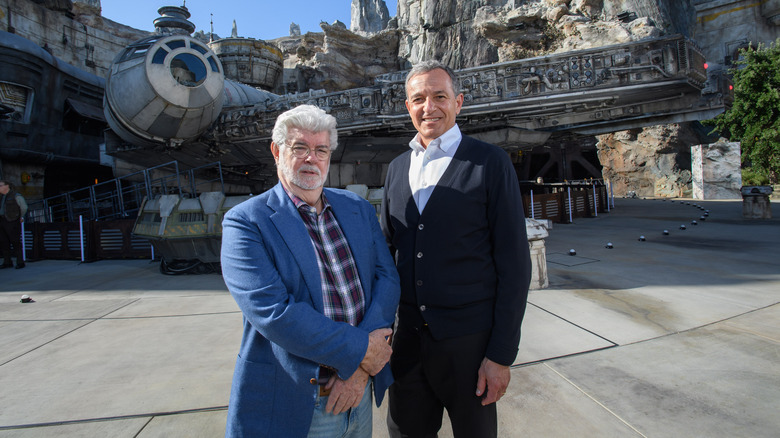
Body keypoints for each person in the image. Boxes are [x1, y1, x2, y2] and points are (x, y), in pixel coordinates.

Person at [221, 104, 401, 437]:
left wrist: (360, 372)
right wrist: (363, 351)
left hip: (358, 393)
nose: (311, 159)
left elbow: (386, 279)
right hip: (299, 402)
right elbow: (276, 313)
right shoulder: (246, 222)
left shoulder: (357, 208)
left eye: (320, 150)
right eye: (300, 147)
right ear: (277, 151)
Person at [380, 60, 532, 437]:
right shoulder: (396, 168)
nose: (428, 107)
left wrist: (500, 355)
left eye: (439, 96)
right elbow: (386, 255)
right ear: (407, 106)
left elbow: (514, 265)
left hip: (470, 347)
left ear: (458, 102)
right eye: (418, 98)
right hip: (408, 346)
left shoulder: (490, 163)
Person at [0, 180, 28, 269]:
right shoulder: (1, 197)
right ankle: (7, 261)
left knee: (15, 241)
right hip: (2, 221)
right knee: (4, 242)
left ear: (7, 186)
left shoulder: (16, 196)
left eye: (0, 185)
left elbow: (24, 207)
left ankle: (20, 262)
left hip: (12, 221)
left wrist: (19, 217)